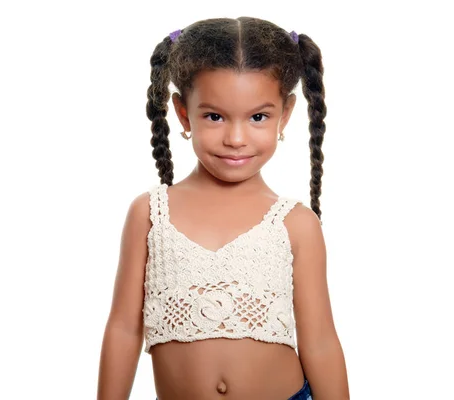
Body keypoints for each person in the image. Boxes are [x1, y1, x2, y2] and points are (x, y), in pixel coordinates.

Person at [98, 16, 349, 400]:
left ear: (285, 115)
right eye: (214, 116)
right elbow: (123, 329)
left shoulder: (296, 223)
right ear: (183, 113)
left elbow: (320, 343)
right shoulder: (150, 214)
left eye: (258, 117)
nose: (235, 138)